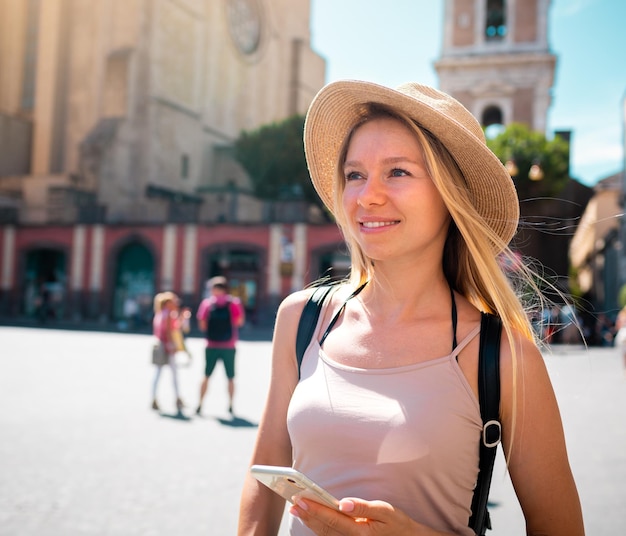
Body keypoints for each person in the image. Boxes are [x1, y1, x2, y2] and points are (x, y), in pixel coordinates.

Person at [238, 81, 584, 535]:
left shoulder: (504, 356)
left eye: (397, 172)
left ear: (450, 195)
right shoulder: (302, 319)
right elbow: (262, 485)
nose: (367, 196)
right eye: (354, 174)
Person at [196, 276, 245, 415]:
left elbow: (202, 324)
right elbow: (239, 322)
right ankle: (230, 404)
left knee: (206, 375)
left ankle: (200, 403)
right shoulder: (234, 303)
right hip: (229, 345)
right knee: (230, 377)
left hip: (211, 344)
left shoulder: (207, 304)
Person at [151, 291, 185, 412]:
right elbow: (170, 331)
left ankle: (153, 397)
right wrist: (171, 345)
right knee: (174, 374)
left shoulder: (160, 313)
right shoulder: (170, 314)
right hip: (167, 345)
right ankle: (177, 398)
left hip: (158, 344)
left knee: (158, 372)